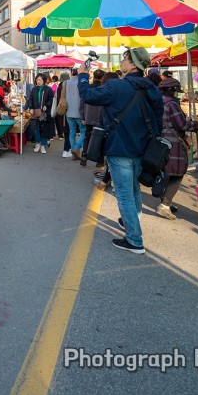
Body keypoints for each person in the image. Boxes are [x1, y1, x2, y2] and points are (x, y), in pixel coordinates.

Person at [78, 47, 163, 254]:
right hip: (143, 148)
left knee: (124, 194)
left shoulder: (117, 86)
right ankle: (131, 222)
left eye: (125, 58)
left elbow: (88, 95)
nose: (122, 61)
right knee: (134, 189)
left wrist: (82, 75)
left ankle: (134, 240)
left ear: (133, 64)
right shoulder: (152, 88)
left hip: (120, 147)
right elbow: (158, 120)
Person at [156, 78, 198, 220]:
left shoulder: (157, 102)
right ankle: (164, 204)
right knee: (178, 173)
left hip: (160, 142)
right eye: (176, 91)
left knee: (166, 172)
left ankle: (166, 201)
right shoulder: (171, 104)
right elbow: (181, 125)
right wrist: (195, 124)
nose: (177, 95)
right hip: (173, 143)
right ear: (171, 91)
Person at [79, 69, 105, 167]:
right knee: (101, 139)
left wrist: (82, 116)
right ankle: (99, 160)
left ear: (93, 76)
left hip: (88, 117)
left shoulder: (88, 89)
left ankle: (84, 156)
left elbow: (82, 103)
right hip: (100, 118)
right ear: (102, 77)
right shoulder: (103, 89)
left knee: (87, 137)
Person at [24, 74, 54, 153]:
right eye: (37, 80)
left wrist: (46, 105)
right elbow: (30, 100)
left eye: (40, 80)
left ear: (44, 80)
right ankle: (38, 143)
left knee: (44, 129)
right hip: (35, 112)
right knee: (35, 128)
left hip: (44, 112)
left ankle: (43, 145)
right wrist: (31, 108)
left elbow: (51, 100)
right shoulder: (34, 89)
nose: (38, 81)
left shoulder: (48, 89)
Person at [61, 69, 84, 160]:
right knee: (83, 132)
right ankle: (77, 148)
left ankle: (74, 151)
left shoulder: (65, 83)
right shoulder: (81, 83)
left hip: (69, 111)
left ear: (71, 73)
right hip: (79, 112)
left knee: (72, 132)